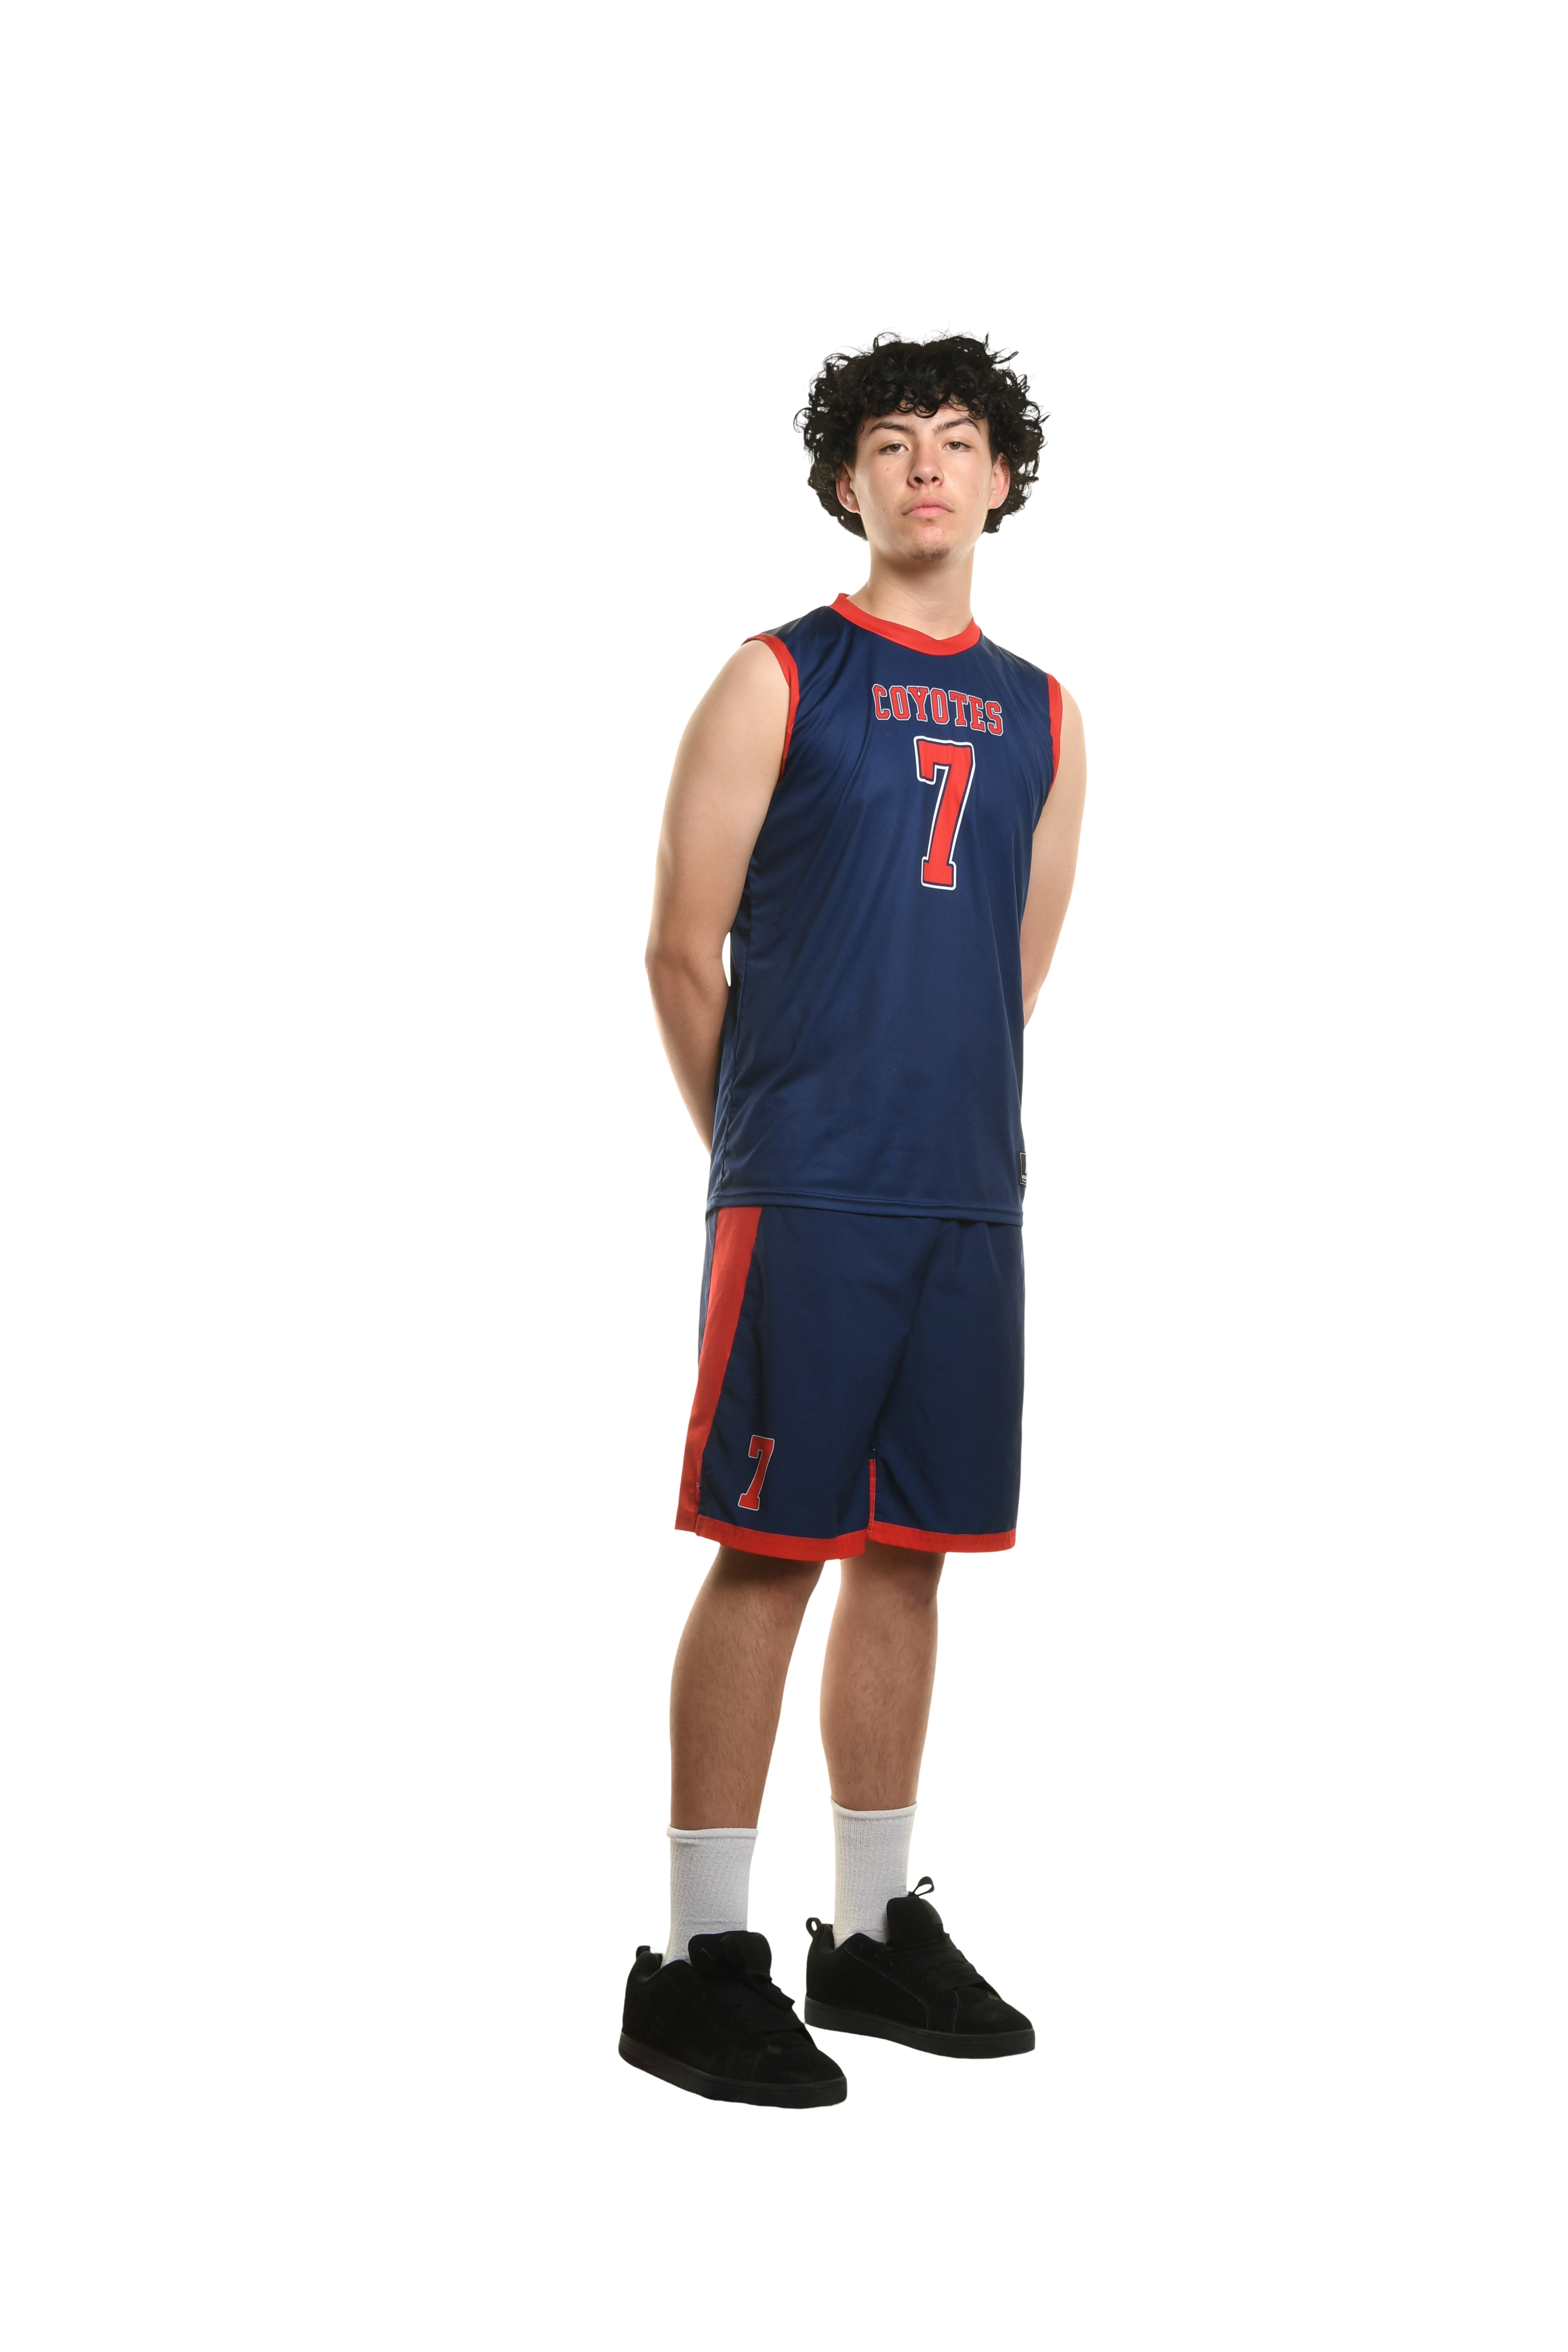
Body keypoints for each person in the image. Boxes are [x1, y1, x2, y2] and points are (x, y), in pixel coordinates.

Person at [618, 319, 1087, 2109]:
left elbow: (1009, 977)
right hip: (805, 1190)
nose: (925, 464)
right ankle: (697, 1958)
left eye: (956, 437)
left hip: (966, 1191)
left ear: (1003, 475)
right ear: (846, 478)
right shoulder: (775, 677)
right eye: (891, 440)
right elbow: (680, 950)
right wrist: (760, 1148)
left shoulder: (1047, 714)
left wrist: (925, 1126)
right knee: (772, 1545)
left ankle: (874, 1929)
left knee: (912, 1549)